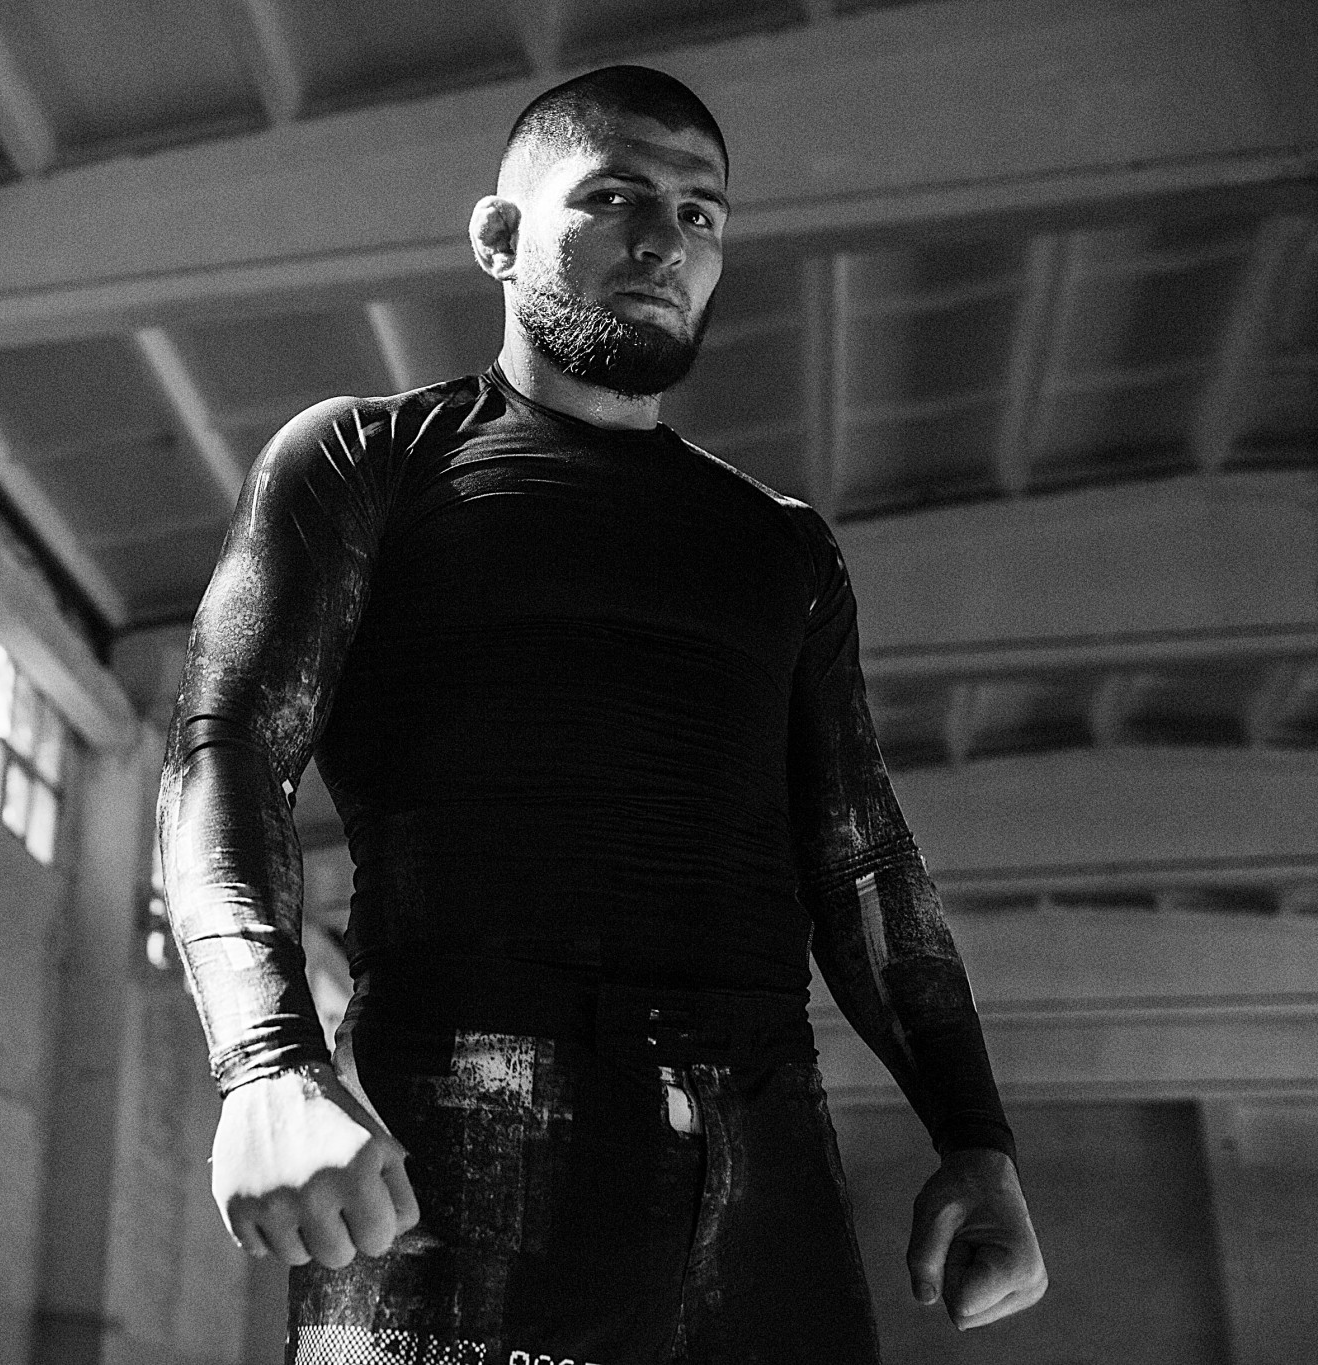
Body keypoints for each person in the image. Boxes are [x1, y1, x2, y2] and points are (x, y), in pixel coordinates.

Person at [157, 65, 1046, 1364]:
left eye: (700, 214)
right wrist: (268, 1061)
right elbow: (227, 755)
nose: (663, 241)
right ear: (498, 236)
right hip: (469, 1121)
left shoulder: (784, 548)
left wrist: (975, 1138)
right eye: (616, 196)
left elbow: (862, 857)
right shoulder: (368, 461)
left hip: (767, 1152)